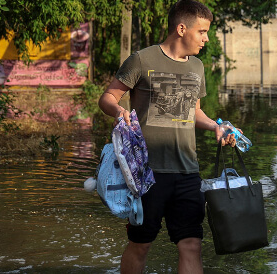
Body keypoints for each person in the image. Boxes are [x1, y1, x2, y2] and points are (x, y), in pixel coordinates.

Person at [98, 1, 238, 273]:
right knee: (141, 243)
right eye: (202, 31)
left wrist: (217, 127)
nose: (206, 38)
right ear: (182, 28)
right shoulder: (142, 59)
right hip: (146, 174)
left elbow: (194, 112)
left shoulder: (196, 67)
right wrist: (117, 111)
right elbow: (107, 97)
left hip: (187, 172)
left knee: (191, 244)